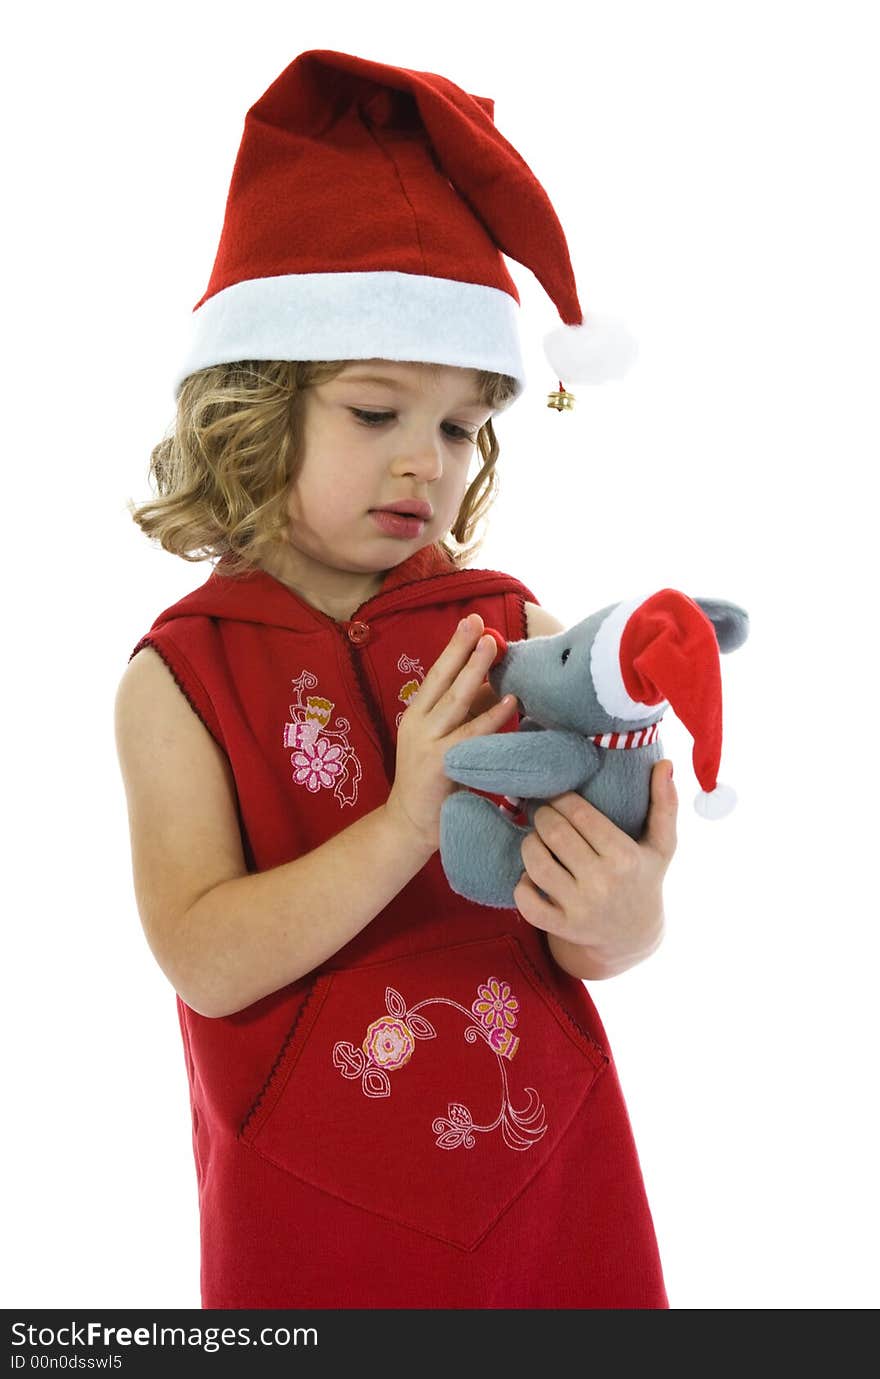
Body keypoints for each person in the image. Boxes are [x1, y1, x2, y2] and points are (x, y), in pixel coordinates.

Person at [114, 49, 678, 1309]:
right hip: (309, 1210)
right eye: (376, 413)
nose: (424, 462)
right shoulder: (181, 675)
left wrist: (625, 908)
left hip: (547, 1169)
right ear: (252, 408)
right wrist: (401, 823)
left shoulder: (509, 625)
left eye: (459, 424)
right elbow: (204, 956)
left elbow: (598, 936)